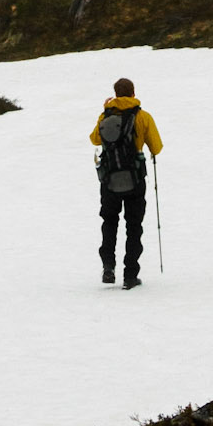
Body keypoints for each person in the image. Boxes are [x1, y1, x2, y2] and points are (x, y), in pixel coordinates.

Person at [90, 75, 162, 287]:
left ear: (115, 95)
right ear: (133, 93)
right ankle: (130, 274)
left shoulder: (106, 116)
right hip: (135, 179)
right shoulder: (143, 117)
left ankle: (108, 267)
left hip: (110, 179)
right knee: (133, 225)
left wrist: (104, 112)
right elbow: (156, 147)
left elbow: (95, 139)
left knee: (109, 222)